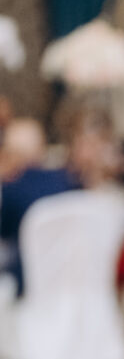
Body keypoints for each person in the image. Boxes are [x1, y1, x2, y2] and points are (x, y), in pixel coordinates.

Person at [0, 118, 80, 297]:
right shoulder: (68, 180)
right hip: (73, 282)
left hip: (29, 284)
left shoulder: (12, 189)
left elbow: (4, 235)